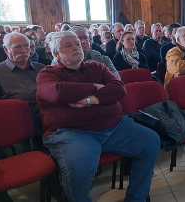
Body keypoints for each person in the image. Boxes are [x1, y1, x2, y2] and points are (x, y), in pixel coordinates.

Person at [36, 31, 159, 201]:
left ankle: (136, 198)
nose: (76, 47)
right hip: (73, 133)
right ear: (56, 53)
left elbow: (118, 88)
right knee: (79, 167)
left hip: (114, 126)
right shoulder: (47, 74)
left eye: (78, 44)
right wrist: (96, 86)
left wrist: (88, 100)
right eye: (68, 45)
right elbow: (58, 93)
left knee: (151, 141)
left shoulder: (96, 66)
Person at [0, 32, 46, 135]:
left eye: (27, 46)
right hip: (15, 126)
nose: (23, 51)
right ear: (5, 49)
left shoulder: (41, 68)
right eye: (17, 47)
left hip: (47, 122)